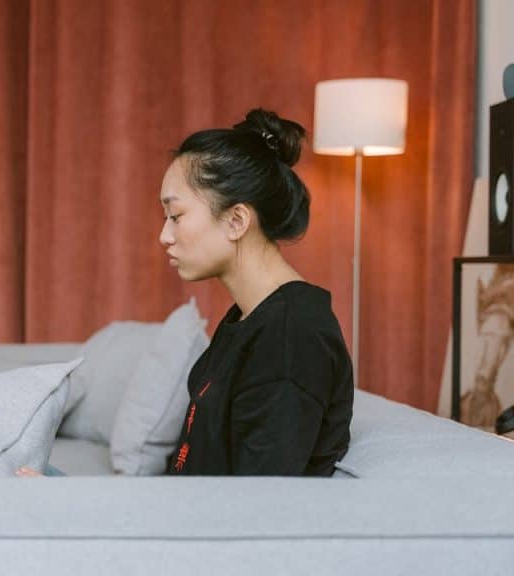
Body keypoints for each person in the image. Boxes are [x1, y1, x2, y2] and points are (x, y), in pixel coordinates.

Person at [19, 108, 352, 478]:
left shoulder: (292, 336)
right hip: (178, 514)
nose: (164, 236)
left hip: (194, 530)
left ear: (237, 221)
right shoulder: (249, 318)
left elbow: (257, 509)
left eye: (175, 217)